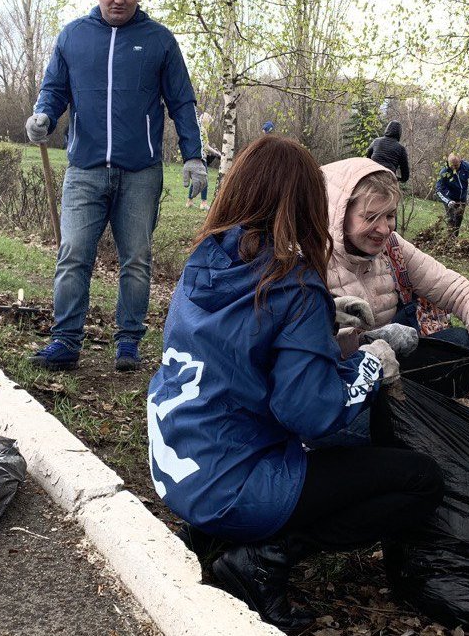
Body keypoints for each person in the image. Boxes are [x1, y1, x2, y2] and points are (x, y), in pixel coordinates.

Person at [148, 135, 444, 630]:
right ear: (310, 202)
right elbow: (310, 413)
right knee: (420, 479)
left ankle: (214, 534)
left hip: (176, 469)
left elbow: (245, 343)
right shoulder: (294, 282)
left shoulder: (204, 261)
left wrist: (323, 323)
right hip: (234, 485)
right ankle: (267, 556)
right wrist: (372, 361)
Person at [25, 0, 205, 373]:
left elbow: (182, 101)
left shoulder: (159, 40)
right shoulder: (73, 37)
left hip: (141, 171)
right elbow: (54, 90)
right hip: (85, 169)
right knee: (73, 254)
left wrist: (193, 155)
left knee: (137, 259)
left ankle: (128, 343)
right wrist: (43, 117)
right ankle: (66, 341)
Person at [317, 158, 469, 447]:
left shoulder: (392, 249)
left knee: (462, 344)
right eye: (370, 217)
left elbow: (460, 291)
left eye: (390, 216)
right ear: (338, 213)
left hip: (397, 373)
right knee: (353, 431)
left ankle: (411, 421)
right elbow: (299, 351)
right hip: (343, 385)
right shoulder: (310, 259)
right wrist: (366, 343)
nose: (383, 229)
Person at [434, 153, 469, 237]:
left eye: (456, 165)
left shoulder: (467, 167)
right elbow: (438, 190)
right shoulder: (444, 172)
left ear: (460, 162)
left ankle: (454, 240)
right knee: (451, 219)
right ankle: (449, 241)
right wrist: (448, 201)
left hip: (462, 199)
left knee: (458, 220)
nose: (454, 168)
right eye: (452, 165)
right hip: (450, 198)